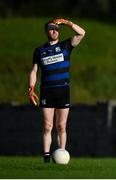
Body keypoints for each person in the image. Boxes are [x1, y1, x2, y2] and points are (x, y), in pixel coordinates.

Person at [29, 18, 85, 163]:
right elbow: (34, 71)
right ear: (47, 31)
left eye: (57, 29)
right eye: (51, 28)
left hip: (63, 90)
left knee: (61, 126)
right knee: (48, 125)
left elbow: (82, 33)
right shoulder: (39, 50)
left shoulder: (66, 45)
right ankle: (46, 157)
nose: (55, 31)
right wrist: (31, 88)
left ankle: (62, 153)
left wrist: (68, 23)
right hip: (47, 91)